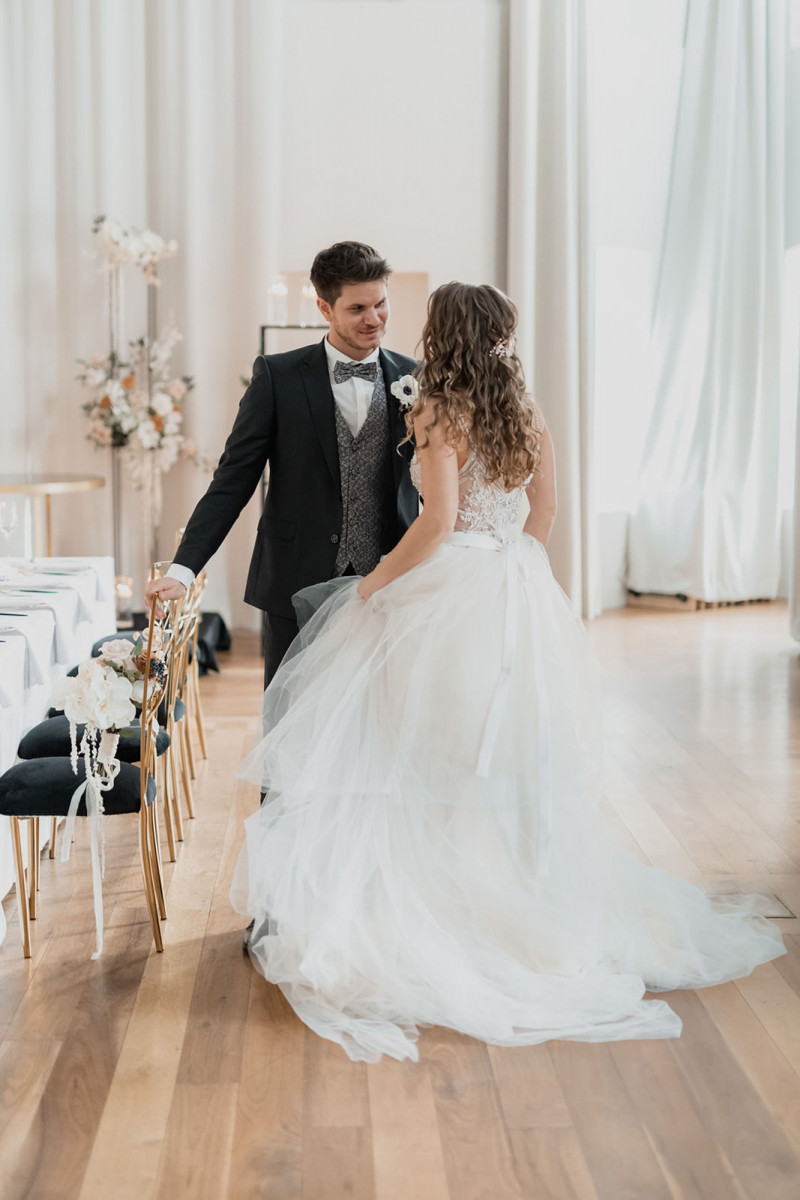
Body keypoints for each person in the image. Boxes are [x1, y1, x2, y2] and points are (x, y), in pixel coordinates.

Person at [229, 281, 785, 1064]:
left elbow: (438, 520)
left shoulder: (436, 410)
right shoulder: (527, 412)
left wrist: (374, 585)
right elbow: (544, 513)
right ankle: (510, 894)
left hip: (448, 590)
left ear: (445, 335)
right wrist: (515, 571)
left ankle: (443, 907)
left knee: (419, 750)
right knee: (506, 757)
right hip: (516, 592)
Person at [145, 241, 419, 684]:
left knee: (379, 728)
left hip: (390, 582)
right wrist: (184, 568)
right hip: (296, 581)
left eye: (381, 303)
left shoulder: (416, 378)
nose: (374, 319)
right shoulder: (278, 377)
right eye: (357, 308)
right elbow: (231, 481)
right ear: (324, 308)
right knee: (288, 724)